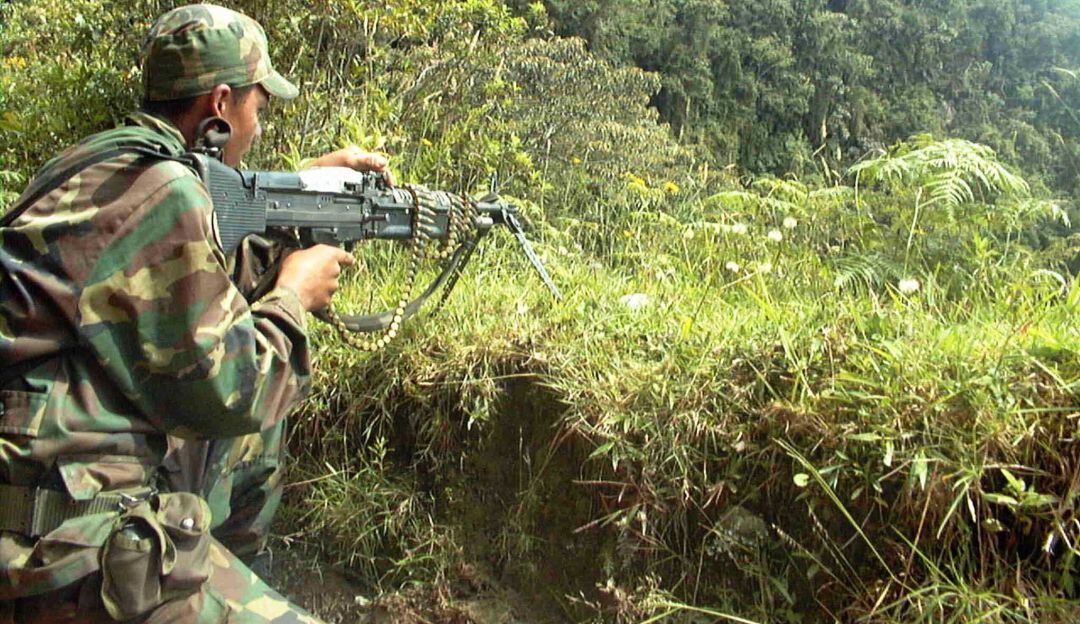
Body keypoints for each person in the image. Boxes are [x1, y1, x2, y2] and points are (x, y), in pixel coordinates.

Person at [0, 4, 382, 622]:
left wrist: (298, 189)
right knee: (253, 418)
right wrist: (293, 296)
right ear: (221, 104)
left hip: (40, 489)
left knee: (257, 445)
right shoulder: (164, 192)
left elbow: (179, 284)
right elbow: (232, 393)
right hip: (65, 543)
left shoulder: (102, 168)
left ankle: (213, 573)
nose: (260, 124)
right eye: (258, 107)